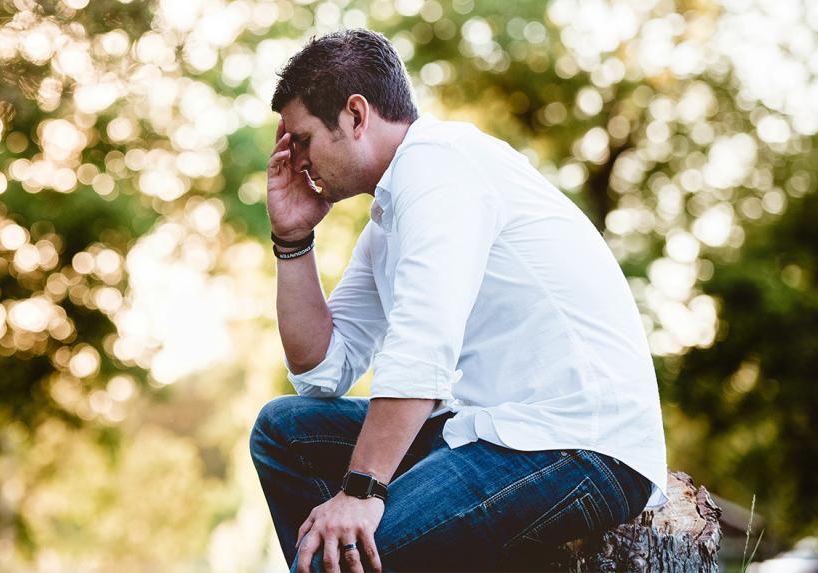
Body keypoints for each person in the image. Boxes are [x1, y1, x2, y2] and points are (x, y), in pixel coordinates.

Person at [249, 29, 669, 573]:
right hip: (488, 432)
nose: (298, 161)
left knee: (347, 560)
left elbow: (423, 346)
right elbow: (323, 370)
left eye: (303, 138)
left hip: (577, 446)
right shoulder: (390, 218)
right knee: (286, 430)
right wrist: (292, 240)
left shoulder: (440, 165)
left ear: (355, 115)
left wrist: (360, 492)